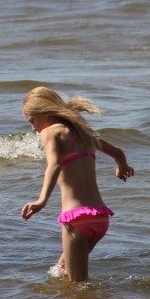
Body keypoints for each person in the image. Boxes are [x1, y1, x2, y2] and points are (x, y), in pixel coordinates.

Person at [20, 87, 134, 282]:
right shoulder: (84, 133)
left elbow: (54, 165)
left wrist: (41, 200)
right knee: (62, 270)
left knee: (77, 287)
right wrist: (122, 167)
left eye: (32, 121)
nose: (33, 128)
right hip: (100, 218)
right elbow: (118, 152)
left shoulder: (50, 132)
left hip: (76, 218)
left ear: (45, 113)